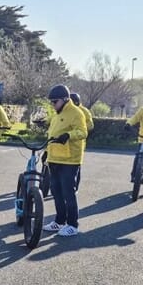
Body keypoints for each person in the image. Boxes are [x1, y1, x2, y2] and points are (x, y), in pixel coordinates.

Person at [43, 85, 87, 237]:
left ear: (65, 99)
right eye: (51, 102)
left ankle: (73, 225)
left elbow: (83, 132)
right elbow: (52, 135)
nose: (53, 105)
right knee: (56, 191)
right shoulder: (56, 114)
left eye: (55, 102)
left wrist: (68, 135)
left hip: (70, 159)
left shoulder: (76, 113)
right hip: (55, 157)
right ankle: (59, 221)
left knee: (68, 192)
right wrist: (46, 153)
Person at [69, 92, 93, 192]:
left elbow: (90, 125)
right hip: (66, 140)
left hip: (79, 141)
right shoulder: (67, 110)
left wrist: (79, 129)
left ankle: (75, 187)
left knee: (76, 165)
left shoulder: (84, 111)